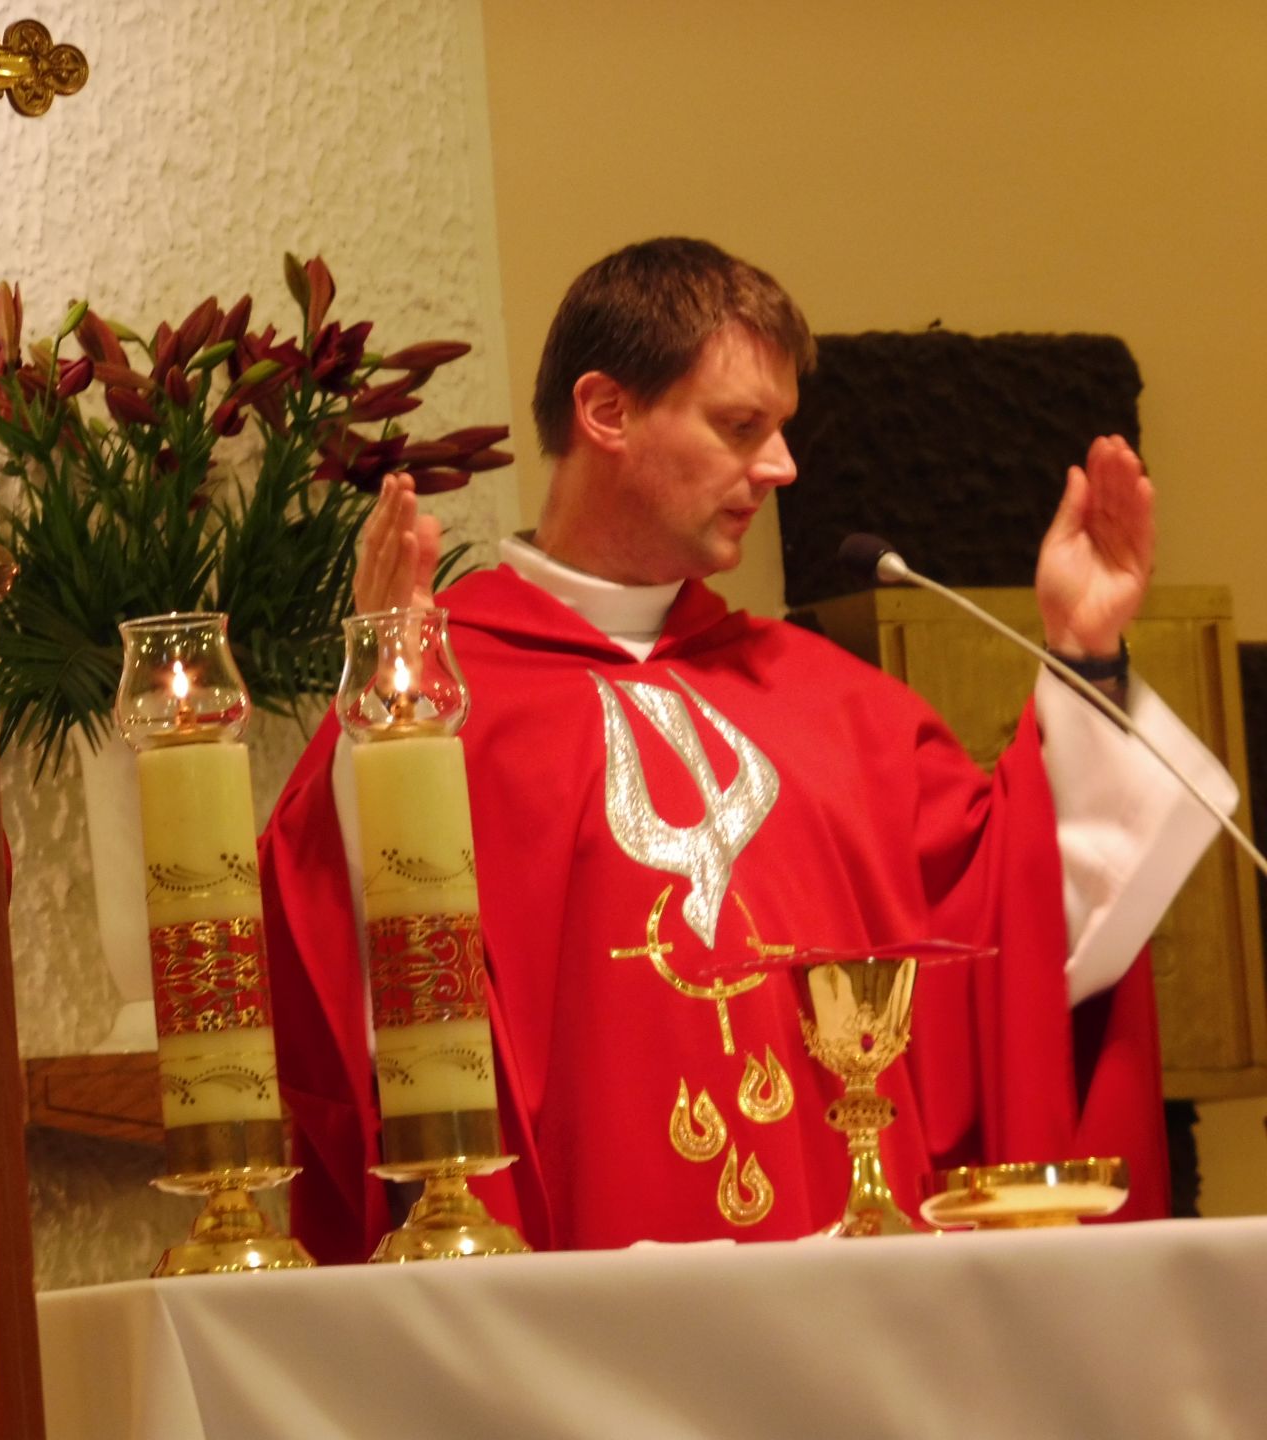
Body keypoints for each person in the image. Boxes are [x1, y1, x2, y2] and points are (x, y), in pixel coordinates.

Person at [260, 237, 1232, 1262]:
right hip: (571, 1313)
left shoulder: (841, 712)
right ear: (606, 412)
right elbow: (337, 973)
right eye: (740, 426)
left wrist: (1087, 658)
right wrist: (385, 718)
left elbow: (1019, 925)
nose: (782, 467)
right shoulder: (450, 702)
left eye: (781, 428)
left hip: (853, 1306)